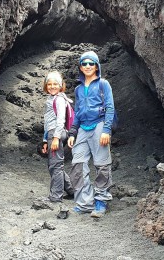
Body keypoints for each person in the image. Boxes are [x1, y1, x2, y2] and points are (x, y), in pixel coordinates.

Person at [67, 51, 115, 218]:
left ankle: (101, 201)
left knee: (102, 164)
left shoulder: (103, 84)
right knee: (78, 164)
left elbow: (110, 107)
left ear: (96, 66)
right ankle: (84, 203)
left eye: (91, 63)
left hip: (99, 126)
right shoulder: (79, 89)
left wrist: (106, 130)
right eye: (84, 63)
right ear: (80, 67)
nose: (88, 66)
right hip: (82, 129)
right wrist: (73, 132)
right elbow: (77, 112)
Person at [41, 71, 74, 202]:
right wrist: (45, 140)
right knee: (55, 165)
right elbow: (47, 121)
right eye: (49, 84)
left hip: (56, 133)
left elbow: (60, 119)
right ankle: (72, 190)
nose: (52, 86)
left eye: (55, 84)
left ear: (61, 86)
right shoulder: (51, 99)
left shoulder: (59, 99)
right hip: (52, 133)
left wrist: (55, 138)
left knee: (55, 165)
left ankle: (56, 196)